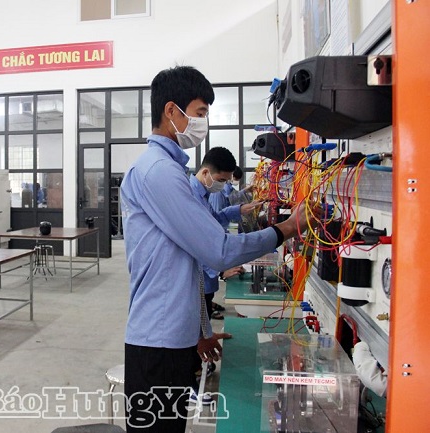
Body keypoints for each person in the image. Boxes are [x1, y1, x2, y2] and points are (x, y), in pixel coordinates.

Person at [120, 65, 319, 432]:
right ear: (171, 111)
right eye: (199, 113)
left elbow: (183, 267)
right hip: (157, 344)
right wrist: (287, 228)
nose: (203, 124)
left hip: (169, 337)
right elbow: (217, 251)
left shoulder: (167, 170)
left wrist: (197, 331)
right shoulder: (158, 172)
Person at [189, 148, 263, 320]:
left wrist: (239, 209)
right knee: (198, 322)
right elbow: (194, 242)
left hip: (206, 277)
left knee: (205, 317)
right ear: (206, 173)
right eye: (221, 180)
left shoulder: (203, 194)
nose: (222, 185)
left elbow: (214, 220)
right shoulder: (191, 197)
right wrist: (220, 270)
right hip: (198, 277)